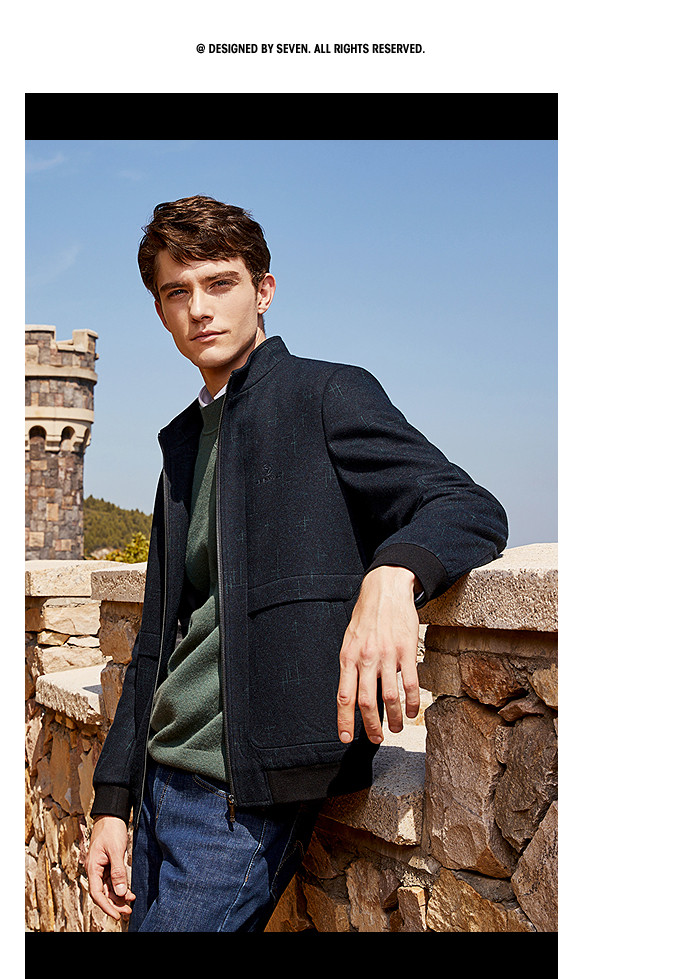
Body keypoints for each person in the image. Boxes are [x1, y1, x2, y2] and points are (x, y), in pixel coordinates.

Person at [85, 195, 508, 932]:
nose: (199, 309)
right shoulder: (183, 443)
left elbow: (466, 504)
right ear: (160, 312)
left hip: (240, 799)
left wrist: (393, 574)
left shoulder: (326, 394)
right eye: (177, 292)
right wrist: (113, 800)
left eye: (220, 283)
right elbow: (156, 638)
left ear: (264, 290)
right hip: (159, 781)